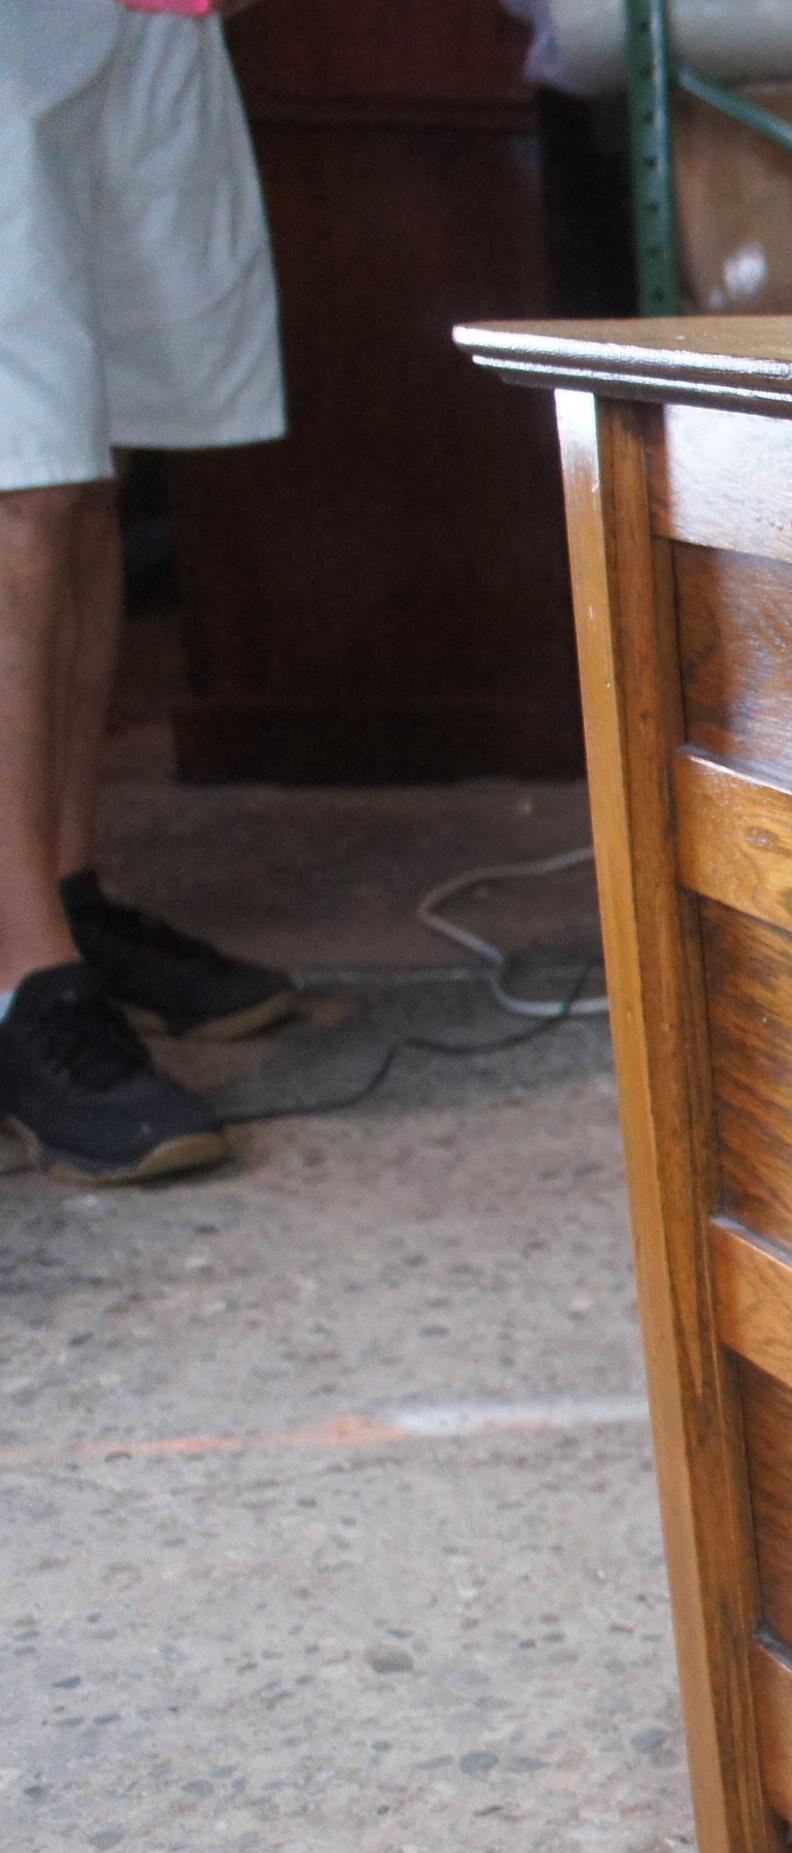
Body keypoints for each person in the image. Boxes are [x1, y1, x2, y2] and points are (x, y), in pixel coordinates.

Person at [1, 0, 298, 1185]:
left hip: (137, 18)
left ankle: (63, 893)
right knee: (18, 469)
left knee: (89, 452)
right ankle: (22, 978)